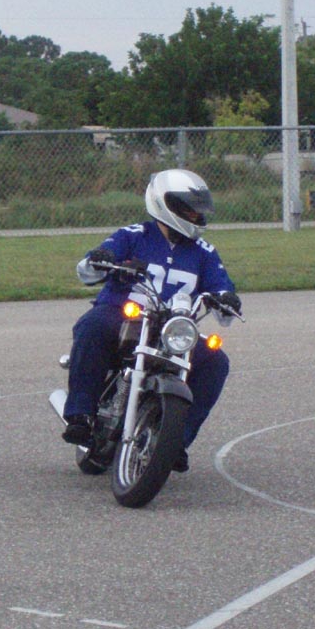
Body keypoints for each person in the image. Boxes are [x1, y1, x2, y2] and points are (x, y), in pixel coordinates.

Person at [61, 168, 241, 473]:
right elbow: (90, 266)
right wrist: (101, 259)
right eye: (188, 209)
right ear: (163, 203)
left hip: (172, 328)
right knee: (92, 326)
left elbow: (221, 287)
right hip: (122, 313)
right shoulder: (132, 236)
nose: (195, 216)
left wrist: (227, 299)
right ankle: (80, 414)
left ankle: (175, 441)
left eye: (198, 210)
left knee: (215, 361)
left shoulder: (205, 252)